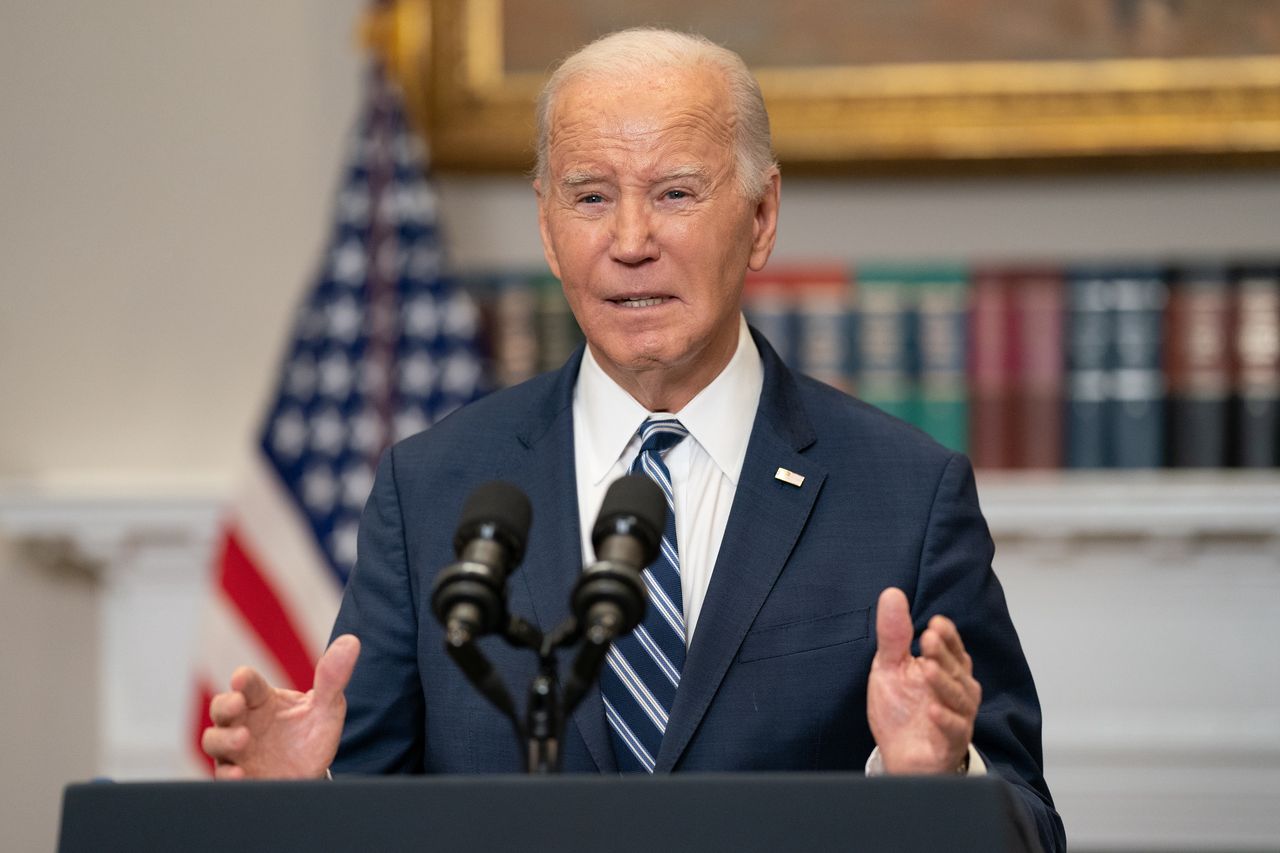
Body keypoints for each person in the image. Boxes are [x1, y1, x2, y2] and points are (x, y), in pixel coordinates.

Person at [203, 27, 1065, 851]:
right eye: (590, 196)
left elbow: (1032, 827)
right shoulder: (430, 488)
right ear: (547, 227)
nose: (629, 242)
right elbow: (372, 815)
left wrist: (941, 776)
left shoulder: (907, 495)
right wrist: (296, 804)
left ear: (761, 217)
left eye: (675, 193)